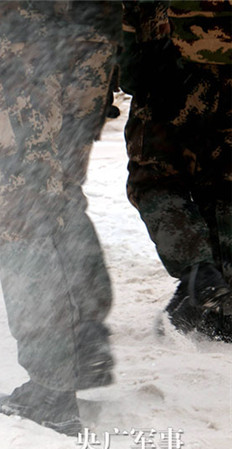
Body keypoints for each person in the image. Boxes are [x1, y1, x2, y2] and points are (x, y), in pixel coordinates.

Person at [0, 1, 121, 435]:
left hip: (22, 48)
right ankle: (85, 344)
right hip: (86, 43)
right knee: (59, 195)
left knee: (22, 210)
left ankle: (51, 389)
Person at [122, 1, 232, 342]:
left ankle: (200, 272)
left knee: (154, 178)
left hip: (170, 65)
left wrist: (131, 70)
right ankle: (222, 309)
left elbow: (126, 22)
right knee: (223, 182)